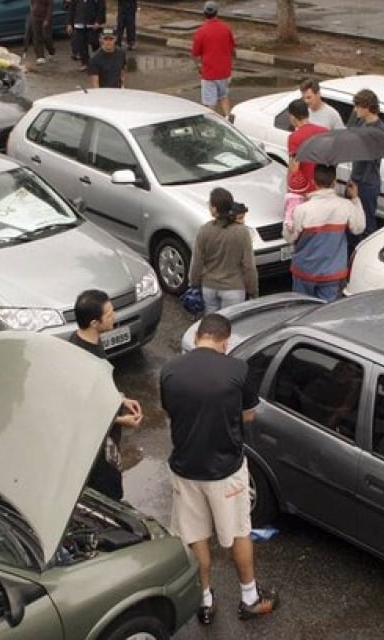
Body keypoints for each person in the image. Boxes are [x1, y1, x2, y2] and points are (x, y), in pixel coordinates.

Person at [159, 313, 279, 626]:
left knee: (195, 536)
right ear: (224, 341)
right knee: (239, 533)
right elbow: (249, 415)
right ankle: (249, 598)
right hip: (226, 471)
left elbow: (171, 411)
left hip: (185, 469)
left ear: (199, 336)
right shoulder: (237, 369)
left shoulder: (169, 371)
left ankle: (205, 600)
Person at [68, 289, 143, 500]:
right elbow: (81, 411)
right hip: (98, 446)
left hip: (107, 435)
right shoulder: (81, 359)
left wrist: (120, 398)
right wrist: (120, 420)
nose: (114, 317)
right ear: (94, 323)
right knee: (109, 494)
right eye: (109, 315)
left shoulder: (90, 341)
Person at [283, 164, 365, 302]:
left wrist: (289, 210)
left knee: (301, 311)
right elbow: (359, 228)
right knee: (326, 315)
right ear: (334, 182)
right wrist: (355, 199)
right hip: (332, 273)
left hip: (304, 271)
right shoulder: (345, 206)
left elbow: (288, 237)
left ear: (313, 182)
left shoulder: (302, 209)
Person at [189, 187, 258, 313]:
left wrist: (194, 283)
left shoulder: (204, 230)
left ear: (214, 209)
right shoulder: (242, 232)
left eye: (210, 204)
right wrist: (253, 290)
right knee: (231, 325)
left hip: (209, 286)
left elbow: (197, 262)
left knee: (212, 325)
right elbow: (249, 265)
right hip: (234, 289)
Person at [348, 89, 384, 238]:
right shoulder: (361, 122)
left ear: (367, 107)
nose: (355, 109)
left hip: (367, 183)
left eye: (357, 106)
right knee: (354, 221)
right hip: (356, 179)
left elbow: (371, 157)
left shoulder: (380, 129)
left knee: (366, 223)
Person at [191, 1, 235, 118]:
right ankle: (228, 116)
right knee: (224, 96)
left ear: (204, 13)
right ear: (217, 13)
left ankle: (211, 122)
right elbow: (232, 48)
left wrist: (199, 67)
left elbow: (195, 53)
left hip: (209, 72)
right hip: (224, 71)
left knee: (210, 103)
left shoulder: (201, 31)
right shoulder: (226, 28)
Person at [286, 98, 327, 195]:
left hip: (306, 189)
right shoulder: (324, 131)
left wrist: (290, 190)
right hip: (324, 187)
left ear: (292, 117)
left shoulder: (294, 137)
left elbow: (294, 168)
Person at [65, 0, 106, 71]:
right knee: (81, 44)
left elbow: (101, 8)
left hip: (93, 24)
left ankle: (99, 61)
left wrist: (98, 21)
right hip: (79, 23)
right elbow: (71, 10)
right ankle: (85, 63)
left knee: (94, 42)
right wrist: (69, 24)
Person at [26, 0, 56, 66]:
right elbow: (31, 4)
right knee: (37, 36)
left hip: (45, 17)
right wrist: (32, 14)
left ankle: (51, 51)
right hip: (35, 17)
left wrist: (47, 19)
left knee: (47, 37)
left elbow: (50, 7)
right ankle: (40, 57)